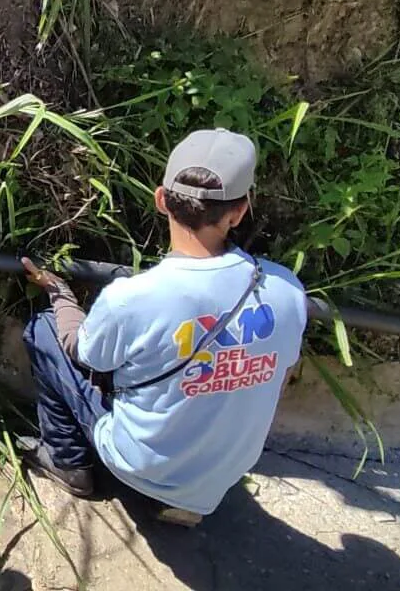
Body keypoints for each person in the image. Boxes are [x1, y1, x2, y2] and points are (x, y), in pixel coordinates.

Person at [20, 128, 307, 527]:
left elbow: (79, 350)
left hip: (141, 465)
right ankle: (191, 498)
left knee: (45, 329)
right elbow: (283, 373)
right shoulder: (286, 289)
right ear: (239, 212)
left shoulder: (135, 296)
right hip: (223, 471)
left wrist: (59, 292)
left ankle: (68, 462)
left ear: (160, 199)